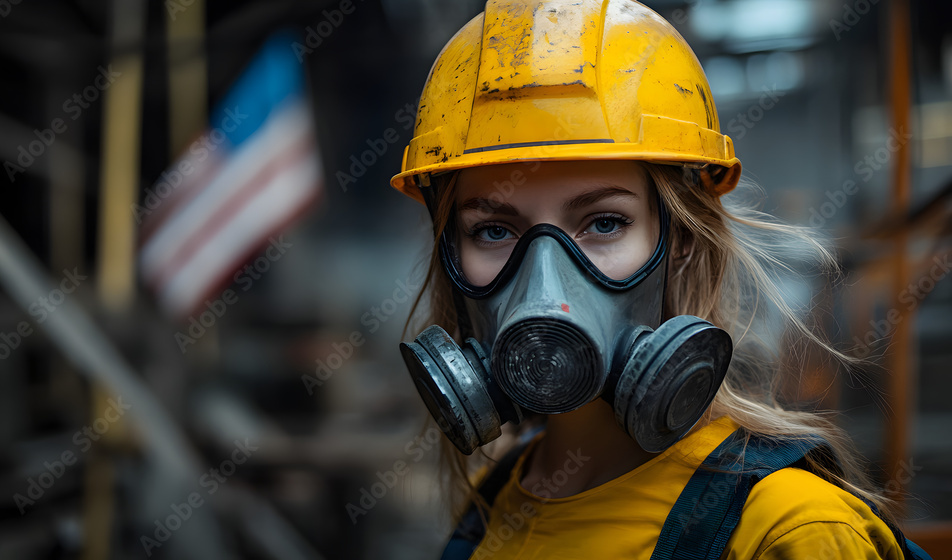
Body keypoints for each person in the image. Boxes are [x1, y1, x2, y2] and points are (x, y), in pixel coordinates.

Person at [389, 1, 932, 558]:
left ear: (683, 242)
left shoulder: (787, 529)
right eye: (494, 231)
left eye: (604, 222)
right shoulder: (495, 503)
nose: (544, 283)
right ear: (451, 251)